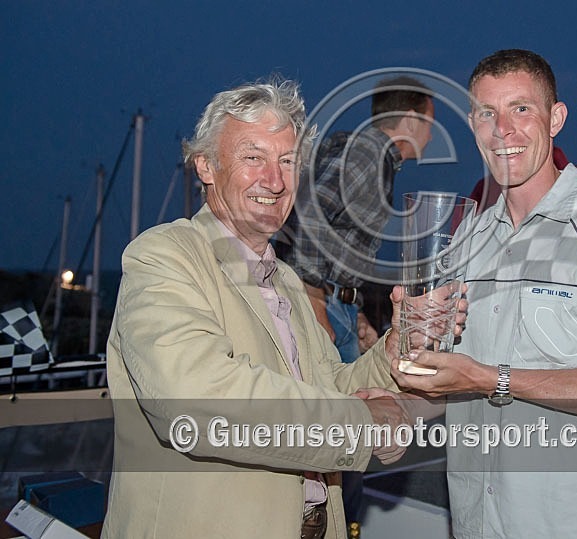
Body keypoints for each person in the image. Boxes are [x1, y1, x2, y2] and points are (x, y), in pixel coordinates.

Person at [392, 49, 577, 538]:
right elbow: (456, 380)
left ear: (556, 119)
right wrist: (401, 395)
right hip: (481, 524)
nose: (502, 129)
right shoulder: (467, 237)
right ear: (472, 125)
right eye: (487, 113)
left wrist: (491, 378)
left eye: (521, 109)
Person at [102, 78, 418, 539]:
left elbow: (328, 386)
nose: (274, 180)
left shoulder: (286, 280)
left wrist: (396, 350)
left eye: (287, 161)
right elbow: (196, 400)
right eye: (253, 158)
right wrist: (362, 425)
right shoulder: (164, 256)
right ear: (206, 166)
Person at [277, 75, 435, 526]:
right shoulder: (367, 152)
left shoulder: (367, 155)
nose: (430, 134)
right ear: (410, 118)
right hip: (318, 300)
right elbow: (309, 217)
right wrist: (315, 300)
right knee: (339, 453)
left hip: (336, 302)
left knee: (343, 452)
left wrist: (355, 310)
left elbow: (336, 237)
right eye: (429, 121)